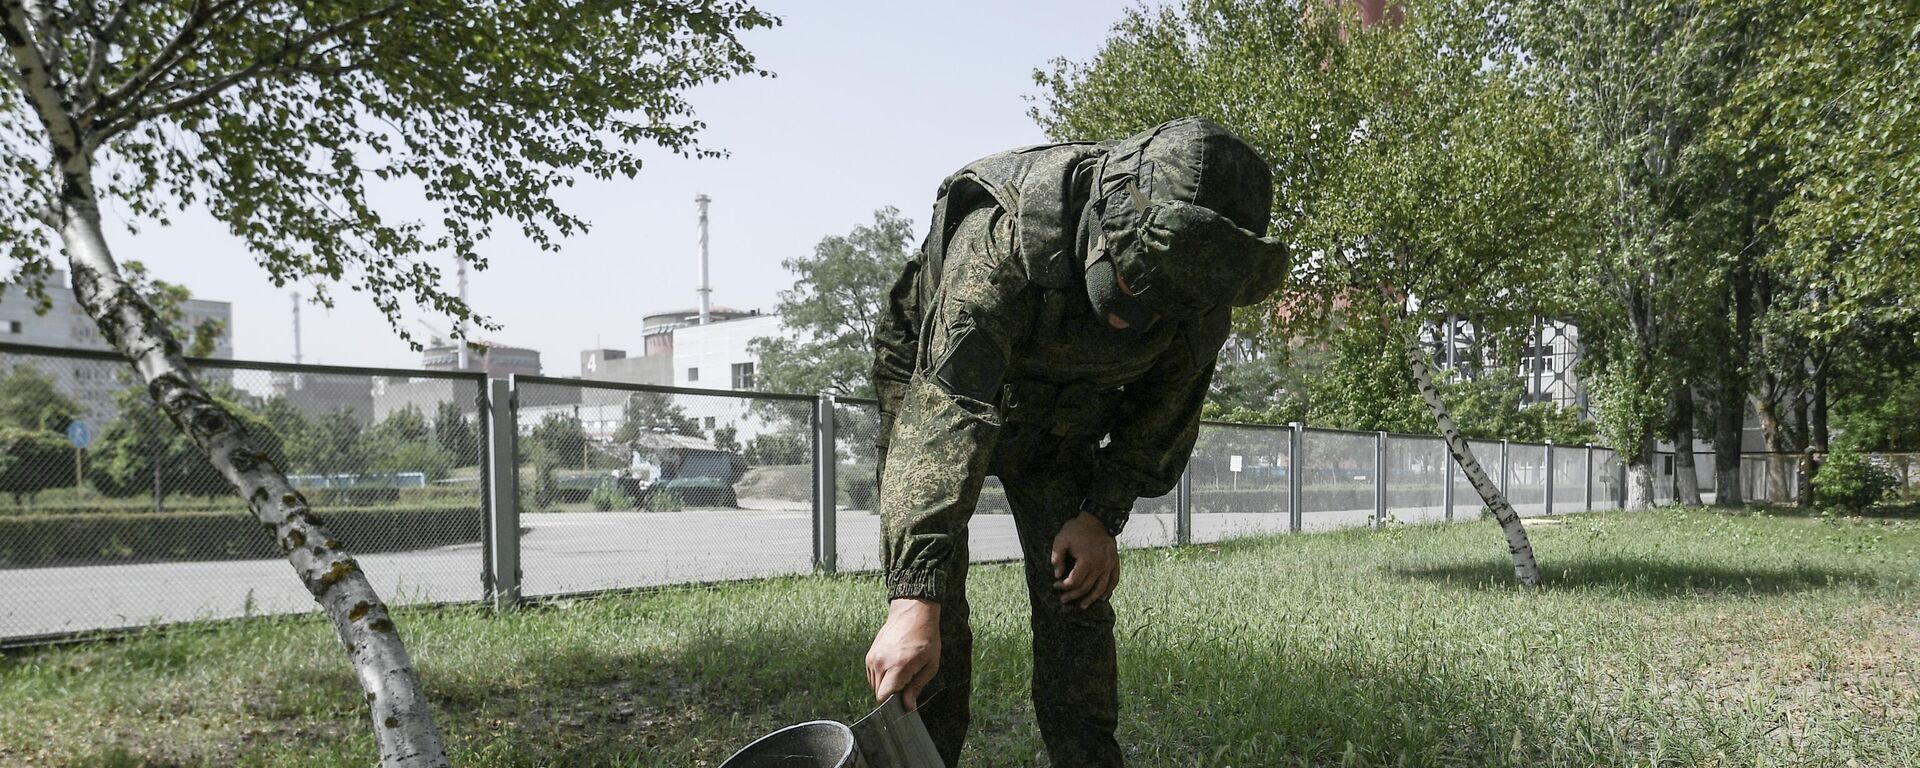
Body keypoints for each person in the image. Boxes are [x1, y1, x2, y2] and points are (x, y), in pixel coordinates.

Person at [863, 116, 1292, 767]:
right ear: (1107, 225)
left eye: (1167, 305)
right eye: (1133, 284)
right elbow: (947, 414)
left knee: (1078, 598)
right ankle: (924, 754)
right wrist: (914, 594)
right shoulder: (1002, 243)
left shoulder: (1204, 287)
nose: (1135, 319)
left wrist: (1101, 516)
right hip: (944, 385)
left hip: (1063, 414)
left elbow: (1165, 410)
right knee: (929, 620)